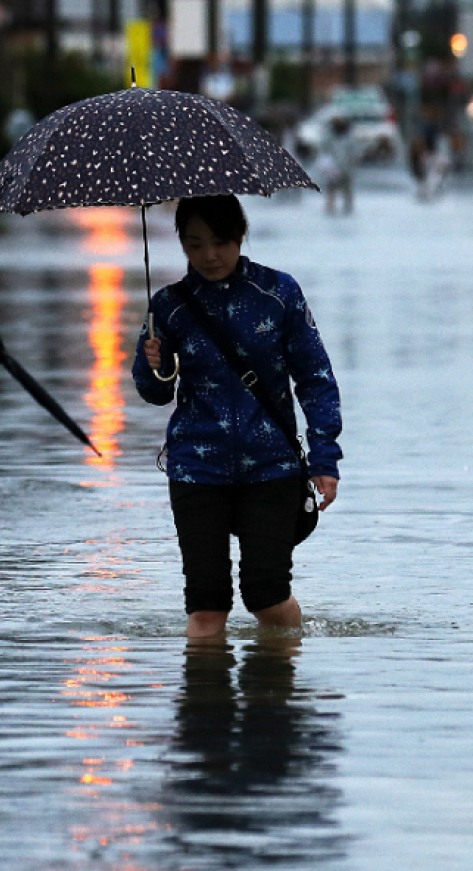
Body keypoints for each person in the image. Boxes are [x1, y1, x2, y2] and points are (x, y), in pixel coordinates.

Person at [132, 195, 342, 638]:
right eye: (195, 244)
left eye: (221, 242)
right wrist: (151, 360)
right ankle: (205, 703)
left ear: (240, 237)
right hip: (195, 468)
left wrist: (324, 458)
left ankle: (282, 691)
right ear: (181, 245)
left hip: (271, 467)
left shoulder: (279, 294)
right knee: (205, 607)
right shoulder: (169, 306)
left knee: (266, 594)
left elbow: (315, 378)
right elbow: (154, 392)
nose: (209, 255)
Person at [315, 115, 355, 215]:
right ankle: (331, 207)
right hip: (333, 168)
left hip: (345, 168)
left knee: (346, 189)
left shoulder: (349, 137)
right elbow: (323, 151)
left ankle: (347, 208)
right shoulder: (329, 137)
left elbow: (354, 153)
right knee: (332, 189)